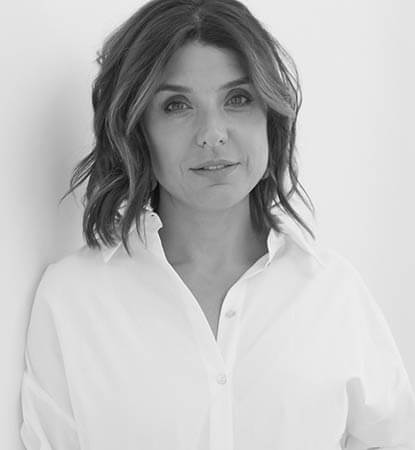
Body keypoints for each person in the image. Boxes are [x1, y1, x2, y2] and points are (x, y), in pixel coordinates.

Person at [19, 0, 415, 449]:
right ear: (137, 130)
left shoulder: (333, 294)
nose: (212, 133)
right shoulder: (73, 299)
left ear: (271, 117)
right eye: (176, 105)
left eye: (238, 99)